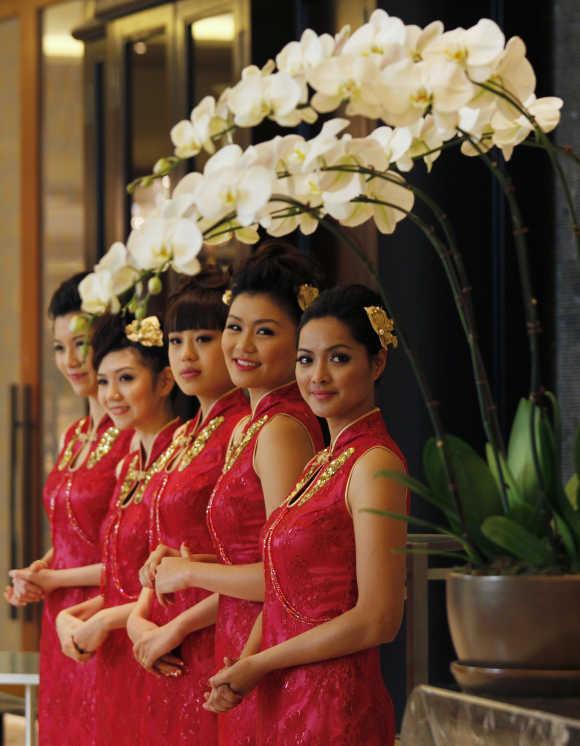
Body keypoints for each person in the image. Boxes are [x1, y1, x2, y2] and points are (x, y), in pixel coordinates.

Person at [205, 285, 408, 746]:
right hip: (285, 691)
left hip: (334, 704)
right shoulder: (322, 461)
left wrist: (261, 662)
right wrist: (246, 664)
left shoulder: (374, 462)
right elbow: (280, 590)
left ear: (376, 363)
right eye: (305, 359)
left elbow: (379, 617)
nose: (317, 376)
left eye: (338, 358)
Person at [153, 243, 325, 746]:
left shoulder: (281, 428)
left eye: (264, 331)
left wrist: (189, 571)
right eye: (234, 326)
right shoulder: (257, 423)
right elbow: (260, 551)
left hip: (267, 648)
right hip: (241, 642)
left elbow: (285, 576)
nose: (241, 345)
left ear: (300, 343)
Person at [4, 272, 133, 746]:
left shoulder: (132, 434)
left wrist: (55, 579)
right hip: (60, 617)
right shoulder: (77, 434)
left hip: (107, 617)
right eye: (59, 347)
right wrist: (41, 570)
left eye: (82, 343)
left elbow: (130, 555)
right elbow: (72, 535)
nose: (72, 360)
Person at [125, 268, 250, 745]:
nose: (187, 355)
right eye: (176, 341)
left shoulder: (241, 429)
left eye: (204, 338)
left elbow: (262, 564)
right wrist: (141, 617)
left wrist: (174, 628)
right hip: (164, 638)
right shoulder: (183, 434)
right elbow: (163, 546)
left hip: (211, 636)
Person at [55, 312, 178, 746]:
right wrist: (75, 614)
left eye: (126, 379)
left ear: (165, 381)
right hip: (116, 654)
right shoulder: (129, 463)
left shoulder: (182, 461)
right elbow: (119, 570)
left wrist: (104, 618)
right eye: (104, 382)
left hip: (156, 651)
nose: (111, 395)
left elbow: (177, 585)